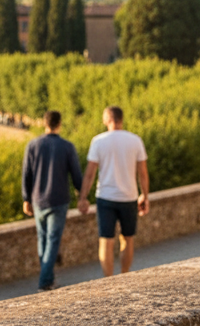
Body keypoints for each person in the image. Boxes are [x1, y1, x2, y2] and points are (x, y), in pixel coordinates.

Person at [78, 105, 149, 276]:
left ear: (107, 120)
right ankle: (124, 275)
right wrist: (144, 196)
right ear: (121, 120)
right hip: (129, 197)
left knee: (106, 240)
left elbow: (89, 174)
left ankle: (108, 281)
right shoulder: (135, 140)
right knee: (128, 238)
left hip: (105, 198)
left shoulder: (98, 141)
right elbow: (143, 174)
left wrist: (82, 198)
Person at [22, 110, 82, 292]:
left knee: (43, 238)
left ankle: (47, 278)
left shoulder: (33, 145)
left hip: (38, 199)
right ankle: (45, 282)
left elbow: (26, 174)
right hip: (59, 200)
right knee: (53, 239)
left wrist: (26, 198)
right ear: (59, 124)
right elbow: (76, 175)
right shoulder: (67, 147)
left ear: (44, 123)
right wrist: (82, 195)